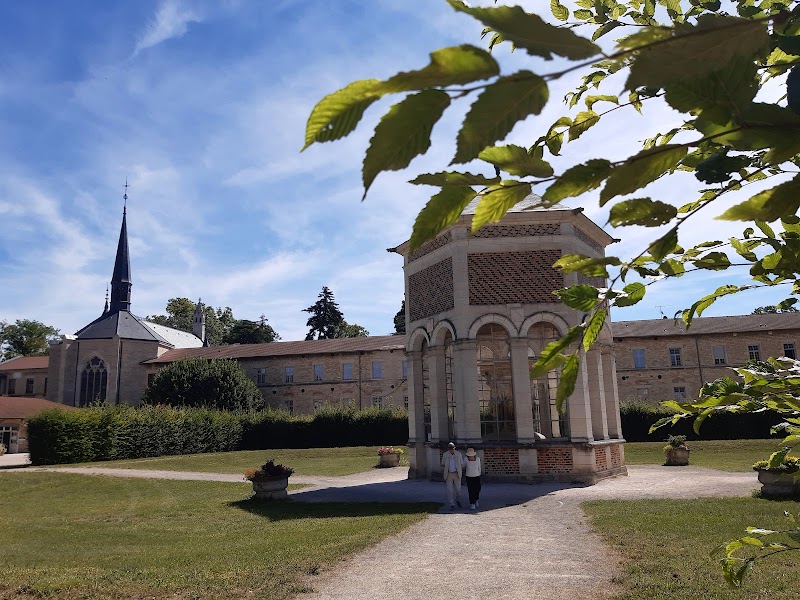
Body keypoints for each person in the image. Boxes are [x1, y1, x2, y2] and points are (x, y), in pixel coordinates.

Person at [441, 442, 463, 510]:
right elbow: (443, 464)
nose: (451, 450)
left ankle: (458, 500)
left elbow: (461, 464)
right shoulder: (445, 455)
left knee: (458, 490)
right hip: (449, 473)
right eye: (450, 449)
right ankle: (451, 504)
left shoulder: (458, 454)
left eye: (452, 449)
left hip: (456, 473)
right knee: (449, 490)